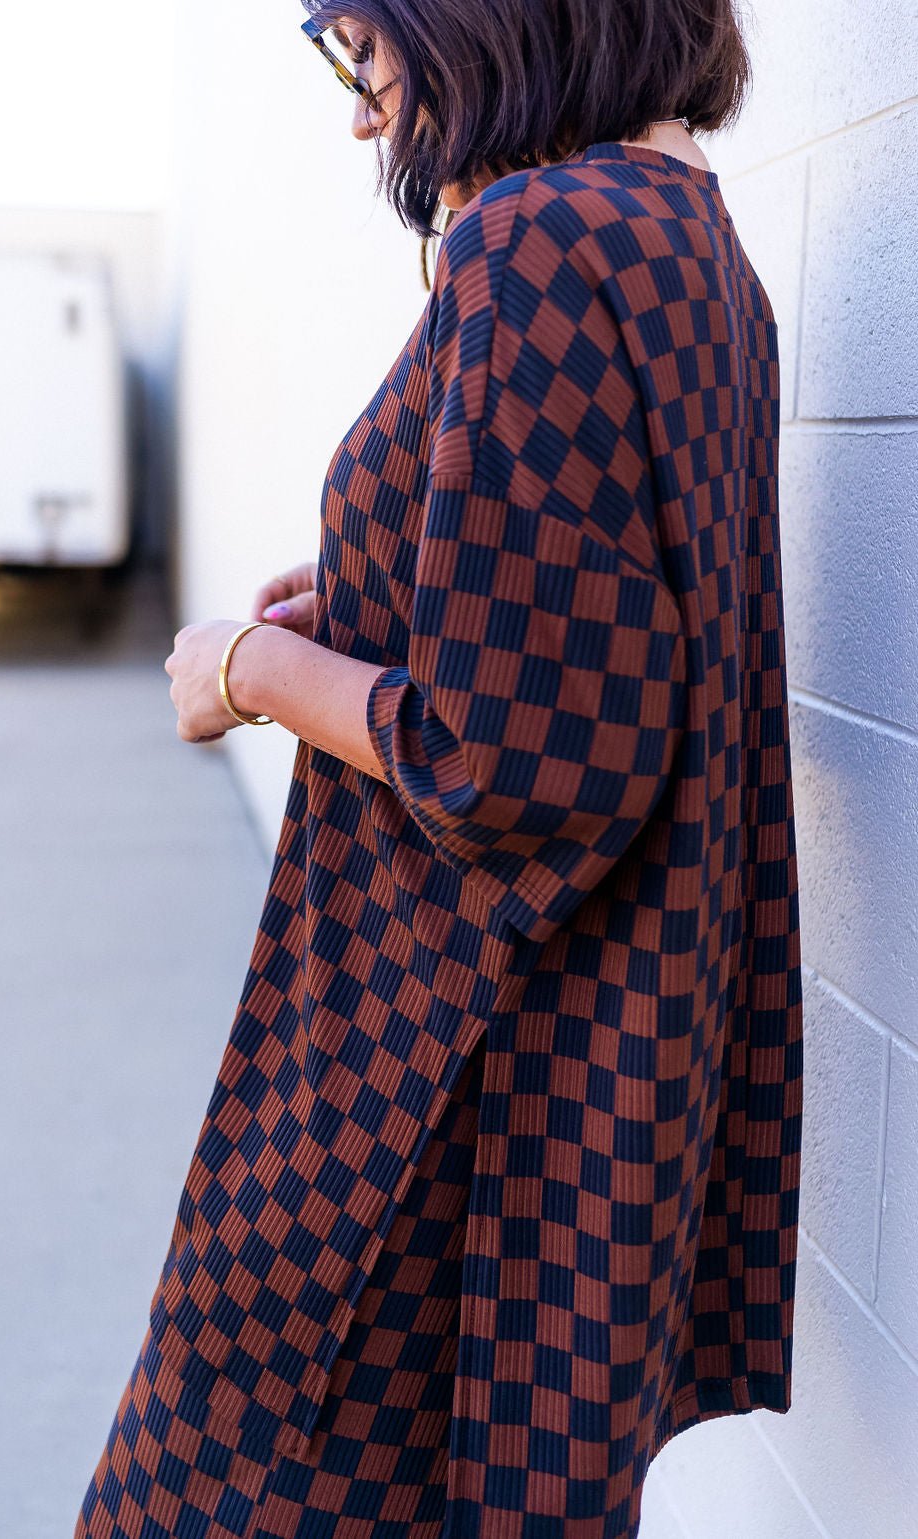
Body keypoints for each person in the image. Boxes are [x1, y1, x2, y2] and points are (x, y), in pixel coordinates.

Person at [75, 3, 804, 1536]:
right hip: (595, 1072)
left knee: (211, 1490)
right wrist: (369, 588)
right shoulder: (688, 240)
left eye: (365, 50)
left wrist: (246, 670)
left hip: (441, 1069)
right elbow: (596, 628)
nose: (361, 114)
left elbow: (509, 760)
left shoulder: (535, 245)